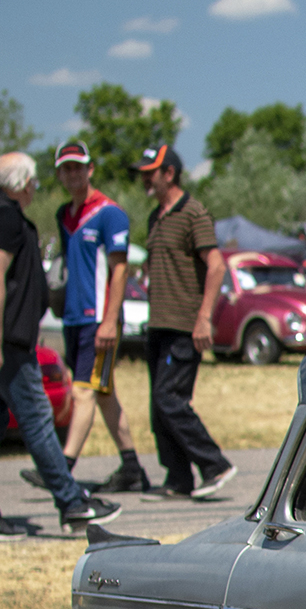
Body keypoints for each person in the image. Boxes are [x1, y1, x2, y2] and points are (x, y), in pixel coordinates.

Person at [0, 152, 119, 538]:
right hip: (1, 339)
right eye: (32, 182)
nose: (35, 189)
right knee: (35, 417)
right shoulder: (4, 216)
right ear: (20, 184)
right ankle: (72, 504)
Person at [21, 141, 146, 493]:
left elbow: (119, 271)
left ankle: (61, 468)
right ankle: (132, 467)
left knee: (84, 390)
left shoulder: (110, 214)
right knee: (103, 394)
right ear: (59, 174)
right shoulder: (64, 215)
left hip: (99, 320)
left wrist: (109, 321)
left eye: (78, 166)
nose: (73, 173)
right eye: (66, 168)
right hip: (73, 319)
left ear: (90, 169)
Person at [131, 144, 236, 500]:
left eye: (151, 172)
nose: (145, 178)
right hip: (158, 323)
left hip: (184, 325)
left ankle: (214, 465)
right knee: (158, 406)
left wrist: (204, 318)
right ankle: (178, 479)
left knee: (169, 398)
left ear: (169, 173)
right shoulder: (156, 216)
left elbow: (217, 266)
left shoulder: (193, 214)